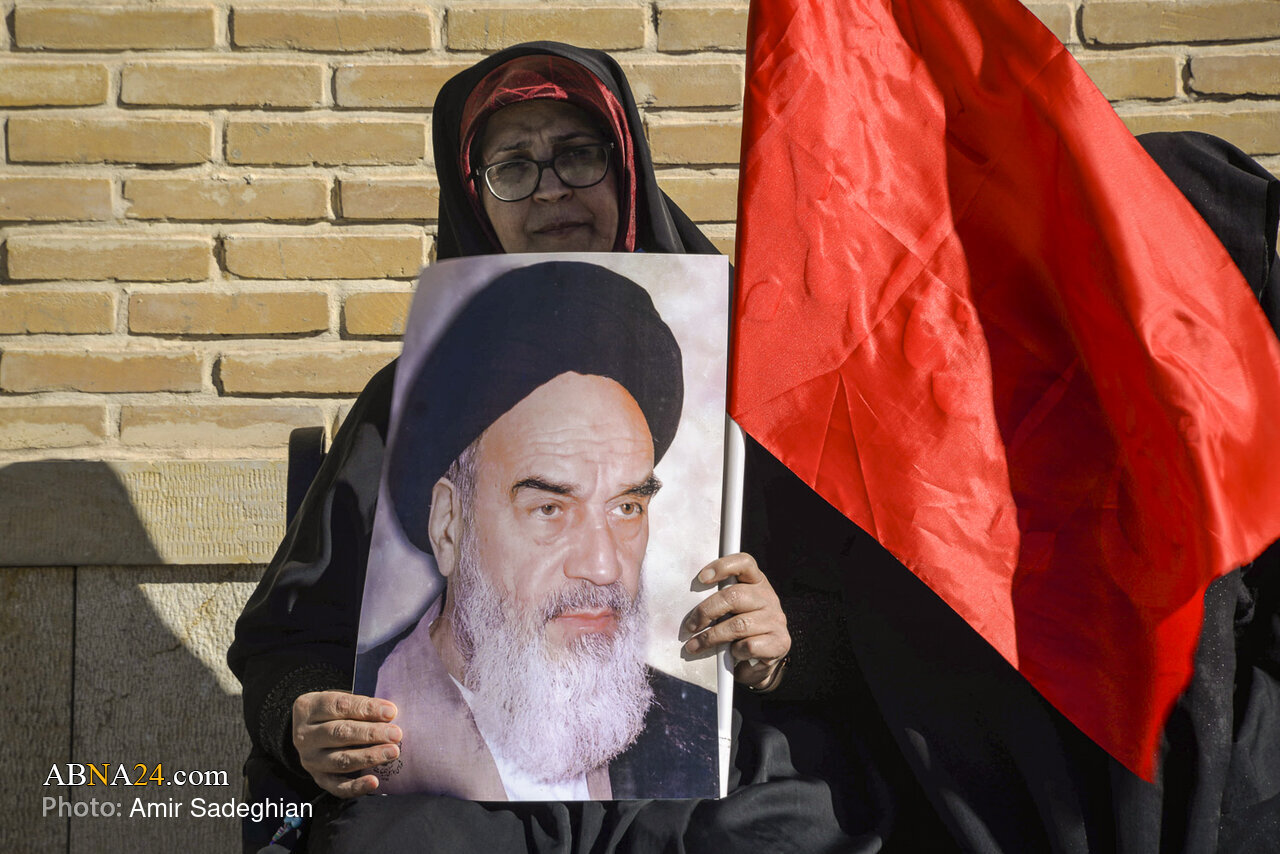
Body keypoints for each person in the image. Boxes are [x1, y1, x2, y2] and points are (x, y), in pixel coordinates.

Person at [230, 43, 841, 854]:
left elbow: (858, 630)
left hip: (686, 794)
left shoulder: (748, 386)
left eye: (578, 154)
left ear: (627, 173)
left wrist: (783, 642)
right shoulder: (406, 401)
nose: (551, 187)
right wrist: (307, 717)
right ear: (446, 521)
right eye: (513, 166)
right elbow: (290, 642)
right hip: (448, 805)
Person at [361, 262, 716, 800]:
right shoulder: (356, 721)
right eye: (550, 509)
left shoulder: (695, 734)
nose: (603, 567)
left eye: (626, 507)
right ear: (449, 526)